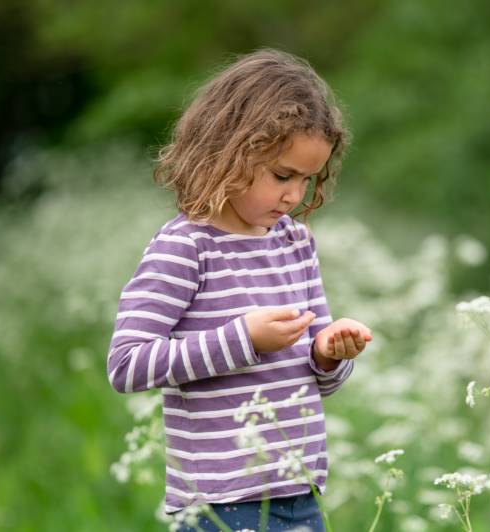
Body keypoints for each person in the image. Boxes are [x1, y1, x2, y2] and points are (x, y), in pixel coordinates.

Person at [106, 48, 372, 531]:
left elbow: (320, 379)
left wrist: (331, 352)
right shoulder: (186, 247)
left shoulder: (295, 243)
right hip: (220, 506)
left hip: (301, 492)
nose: (295, 196)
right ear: (226, 152)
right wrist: (242, 340)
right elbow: (126, 365)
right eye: (282, 175)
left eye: (308, 180)